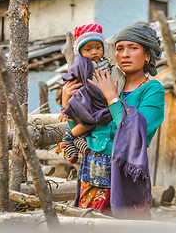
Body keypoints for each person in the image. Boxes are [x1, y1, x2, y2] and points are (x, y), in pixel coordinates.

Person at [61, 24, 165, 219]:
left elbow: (135, 132)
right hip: (90, 175)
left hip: (125, 179)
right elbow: (81, 127)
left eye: (133, 48)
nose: (124, 54)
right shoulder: (100, 81)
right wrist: (66, 102)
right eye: (119, 48)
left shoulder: (152, 90)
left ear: (147, 55)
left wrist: (111, 97)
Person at [60, 23, 112, 163]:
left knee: (99, 117)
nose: (94, 52)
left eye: (98, 47)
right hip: (85, 98)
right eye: (88, 49)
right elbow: (72, 76)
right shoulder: (80, 63)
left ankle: (78, 141)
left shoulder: (106, 63)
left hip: (97, 98)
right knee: (92, 119)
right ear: (80, 51)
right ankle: (69, 136)